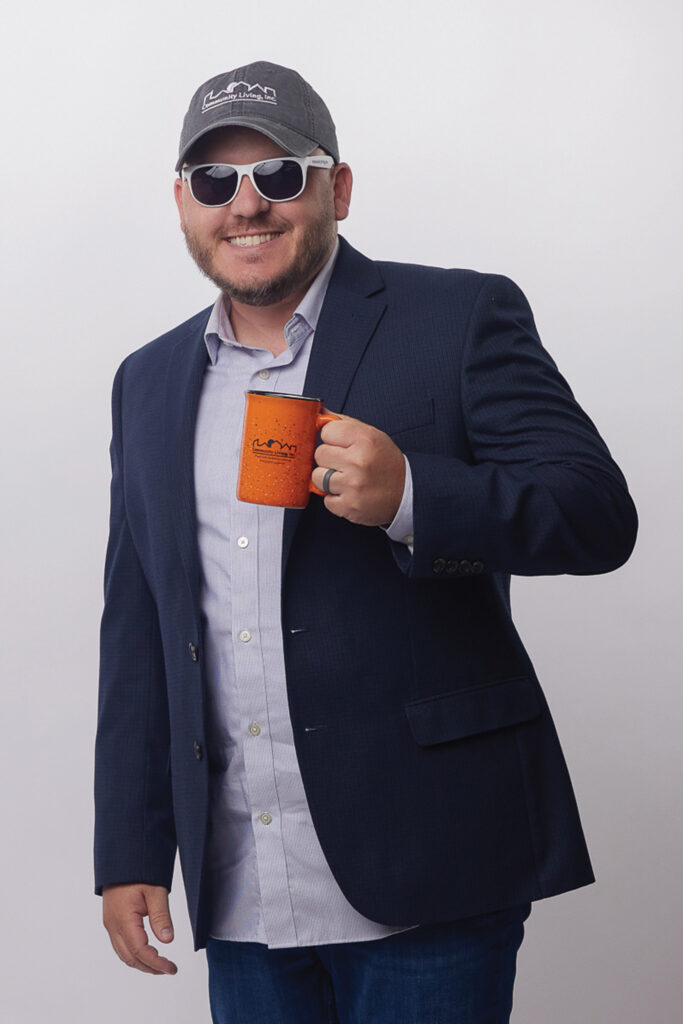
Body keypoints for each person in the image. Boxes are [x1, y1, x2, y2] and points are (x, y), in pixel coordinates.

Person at [94, 60, 638, 1023]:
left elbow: (595, 514)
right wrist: (132, 850)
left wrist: (413, 495)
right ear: (183, 202)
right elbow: (140, 625)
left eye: (279, 175)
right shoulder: (146, 380)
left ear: (336, 188)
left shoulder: (459, 318)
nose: (246, 205)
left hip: (430, 863)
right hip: (244, 883)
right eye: (215, 182)